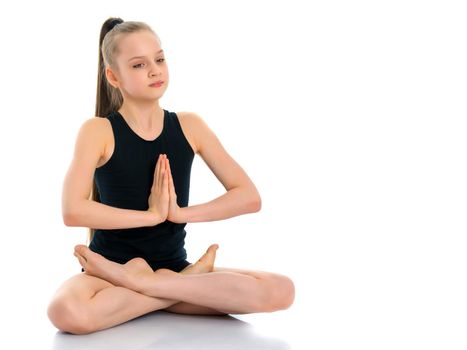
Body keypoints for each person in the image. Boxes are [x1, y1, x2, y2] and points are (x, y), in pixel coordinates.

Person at [47, 17, 295, 335]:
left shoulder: (190, 125)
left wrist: (179, 214)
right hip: (107, 273)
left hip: (168, 268)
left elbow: (248, 196)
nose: (155, 70)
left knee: (281, 290)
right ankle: (180, 286)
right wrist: (150, 216)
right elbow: (73, 210)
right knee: (66, 311)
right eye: (138, 65)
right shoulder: (98, 131)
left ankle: (147, 284)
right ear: (113, 76)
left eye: (160, 59)